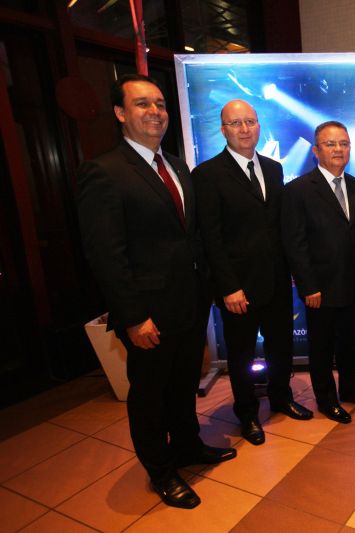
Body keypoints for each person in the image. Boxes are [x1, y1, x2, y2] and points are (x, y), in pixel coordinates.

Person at [77, 74, 235, 509]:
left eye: (161, 104)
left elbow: (191, 237)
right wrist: (133, 317)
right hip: (148, 311)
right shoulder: (104, 171)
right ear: (120, 113)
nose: (155, 112)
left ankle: (187, 445)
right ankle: (161, 470)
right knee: (149, 396)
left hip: (189, 303)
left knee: (183, 384)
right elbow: (106, 255)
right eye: (142, 104)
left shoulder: (177, 167)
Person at [193, 99, 312, 446]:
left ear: (259, 125)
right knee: (242, 354)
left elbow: (279, 227)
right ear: (223, 130)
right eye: (235, 123)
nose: (244, 129)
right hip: (238, 288)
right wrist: (228, 286)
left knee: (281, 347)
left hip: (276, 280)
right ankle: (246, 414)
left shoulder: (273, 169)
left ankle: (281, 398)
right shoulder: (207, 174)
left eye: (250, 121)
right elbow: (210, 238)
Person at [282, 121, 355, 423]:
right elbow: (295, 243)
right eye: (330, 144)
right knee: (322, 348)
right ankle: (326, 399)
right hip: (319, 288)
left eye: (344, 143)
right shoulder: (298, 190)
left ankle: (351, 390)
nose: (339, 149)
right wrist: (307, 286)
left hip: (352, 281)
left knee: (350, 343)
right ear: (315, 150)